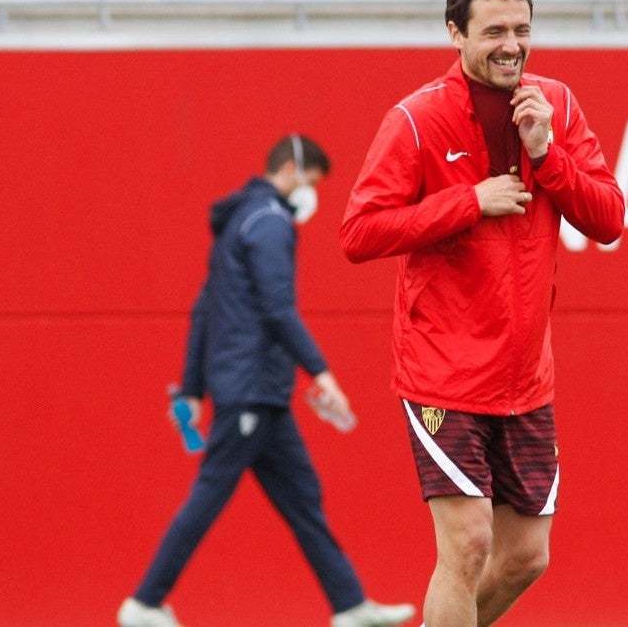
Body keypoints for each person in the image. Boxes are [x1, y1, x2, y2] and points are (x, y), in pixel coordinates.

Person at [339, 0, 625, 627]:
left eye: (522, 29)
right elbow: (358, 232)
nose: (512, 45)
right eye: (494, 30)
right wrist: (467, 202)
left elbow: (608, 218)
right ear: (455, 34)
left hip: (526, 380)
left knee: (527, 556)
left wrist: (548, 154)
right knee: (468, 546)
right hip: (443, 372)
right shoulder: (414, 120)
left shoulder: (556, 105)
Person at [118, 136, 415, 627]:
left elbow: (203, 310)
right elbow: (278, 310)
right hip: (251, 391)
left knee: (303, 500)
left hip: (261, 395)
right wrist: (323, 373)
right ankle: (145, 602)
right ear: (292, 170)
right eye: (314, 182)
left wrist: (193, 389)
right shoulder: (271, 223)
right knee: (210, 494)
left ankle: (350, 606)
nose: (313, 194)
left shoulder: (240, 220)